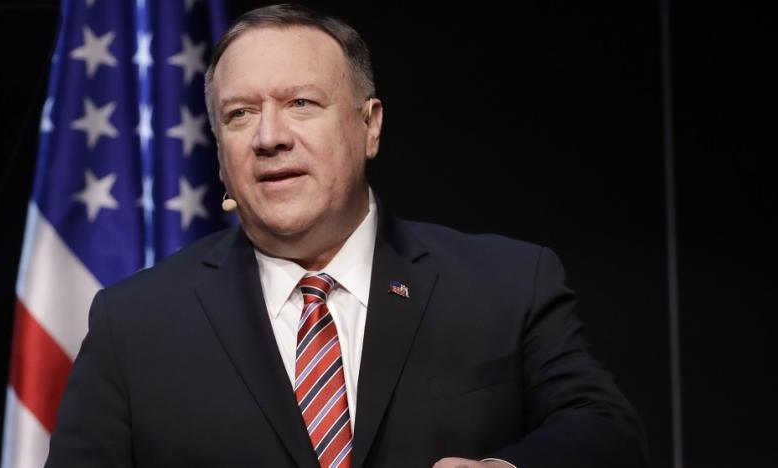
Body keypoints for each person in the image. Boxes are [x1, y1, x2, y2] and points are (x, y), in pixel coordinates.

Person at [46, 4, 647, 467]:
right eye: (240, 114)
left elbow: (607, 432)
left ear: (369, 126)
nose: (269, 137)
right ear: (221, 154)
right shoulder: (134, 324)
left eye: (301, 103)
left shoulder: (506, 284)